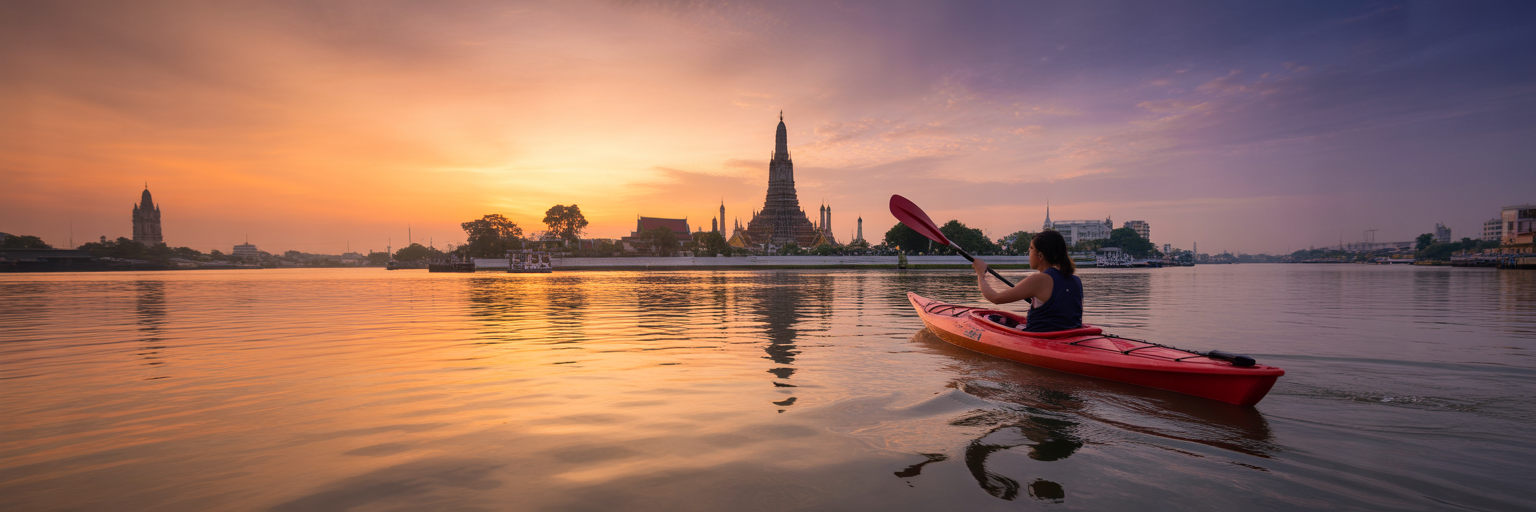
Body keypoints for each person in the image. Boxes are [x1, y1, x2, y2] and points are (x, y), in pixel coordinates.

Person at [971, 230, 1083, 332]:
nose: (1028, 251)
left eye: (1031, 248)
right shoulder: (1076, 280)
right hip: (1071, 336)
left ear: (1040, 255)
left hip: (1043, 339)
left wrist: (980, 274)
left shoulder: (1039, 280)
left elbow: (995, 298)